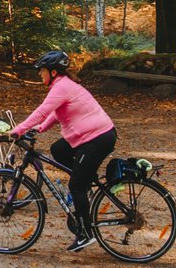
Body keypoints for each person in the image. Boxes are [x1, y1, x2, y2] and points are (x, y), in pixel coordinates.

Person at [9, 49, 116, 253]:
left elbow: (42, 111)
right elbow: (55, 113)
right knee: (58, 149)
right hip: (93, 135)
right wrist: (40, 128)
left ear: (53, 72)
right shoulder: (64, 85)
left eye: (42, 71)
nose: (40, 74)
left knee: (76, 186)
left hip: (97, 138)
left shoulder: (62, 87)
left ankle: (85, 233)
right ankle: (87, 180)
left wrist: (19, 130)